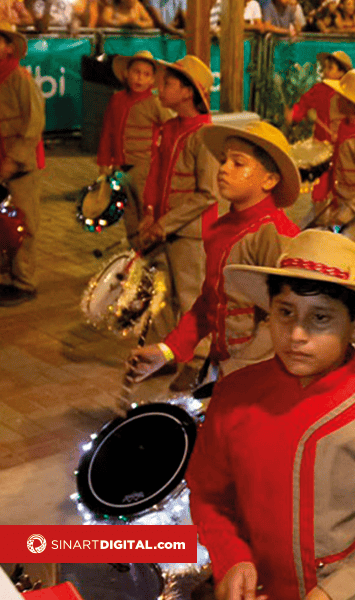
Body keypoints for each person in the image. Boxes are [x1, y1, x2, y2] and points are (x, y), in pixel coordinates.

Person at [189, 230, 355, 600]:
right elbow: (209, 493)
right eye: (285, 312)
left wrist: (340, 592)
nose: (297, 335)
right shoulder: (234, 395)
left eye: (320, 318)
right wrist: (231, 556)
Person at [128, 122, 301, 385]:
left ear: (269, 180)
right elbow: (210, 301)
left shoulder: (275, 234)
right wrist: (167, 350)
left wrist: (240, 369)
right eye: (224, 161)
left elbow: (286, 316)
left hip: (261, 376)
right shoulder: (222, 229)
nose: (223, 168)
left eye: (238, 163)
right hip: (227, 369)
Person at [138, 55, 218, 346]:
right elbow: (155, 175)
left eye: (167, 84)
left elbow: (208, 194)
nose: (159, 88)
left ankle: (196, 358)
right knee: (159, 295)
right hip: (161, 228)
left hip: (190, 235)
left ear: (187, 92)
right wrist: (149, 212)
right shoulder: (170, 128)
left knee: (189, 298)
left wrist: (165, 223)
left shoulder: (205, 136)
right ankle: (162, 354)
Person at [96, 51, 171, 244]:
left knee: (146, 210)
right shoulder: (116, 100)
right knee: (128, 211)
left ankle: (149, 250)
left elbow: (171, 128)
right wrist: (104, 164)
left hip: (144, 168)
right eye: (136, 72)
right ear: (126, 74)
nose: (140, 78)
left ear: (152, 80)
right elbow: (107, 132)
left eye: (146, 75)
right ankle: (135, 248)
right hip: (121, 167)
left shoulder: (155, 104)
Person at [310, 70, 355, 252]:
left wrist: (348, 212)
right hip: (339, 210)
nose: (336, 98)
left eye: (341, 96)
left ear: (352, 104)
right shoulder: (345, 127)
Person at [0, 24, 43, 307]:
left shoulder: (20, 78)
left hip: (19, 165)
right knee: (3, 223)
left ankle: (25, 282)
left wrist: (13, 159)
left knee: (23, 222)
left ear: (8, 48)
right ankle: (8, 276)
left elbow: (33, 122)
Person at [289, 50, 351, 144]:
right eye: (325, 67)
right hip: (320, 144)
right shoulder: (319, 89)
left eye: (330, 68)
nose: (325, 71)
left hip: (344, 145)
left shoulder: (349, 93)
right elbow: (303, 105)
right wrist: (293, 115)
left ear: (342, 72)